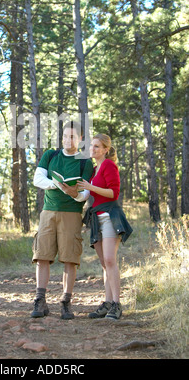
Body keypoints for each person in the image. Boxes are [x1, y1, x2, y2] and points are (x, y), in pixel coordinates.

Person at [31, 121, 93, 320]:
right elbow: (37, 179)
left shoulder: (85, 162)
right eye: (65, 136)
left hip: (72, 214)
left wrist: (73, 193)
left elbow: (85, 194)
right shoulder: (51, 155)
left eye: (73, 137)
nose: (68, 140)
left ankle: (66, 302)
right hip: (48, 212)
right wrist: (56, 185)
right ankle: (40, 300)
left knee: (69, 259)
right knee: (42, 255)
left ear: (81, 139)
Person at [78, 133, 132, 320]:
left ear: (106, 150)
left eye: (97, 147)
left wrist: (91, 188)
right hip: (96, 218)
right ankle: (108, 302)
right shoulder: (94, 169)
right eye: (92, 146)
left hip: (110, 216)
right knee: (103, 263)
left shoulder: (109, 165)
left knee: (110, 260)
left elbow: (113, 193)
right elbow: (88, 192)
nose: (93, 149)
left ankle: (117, 304)